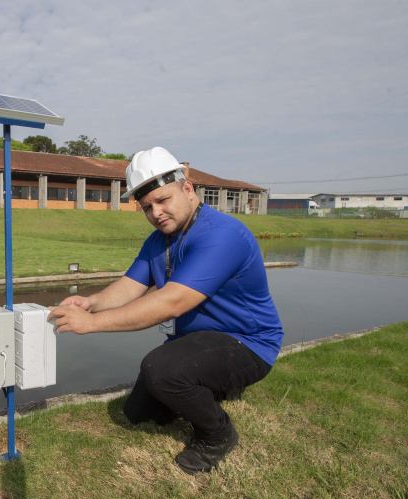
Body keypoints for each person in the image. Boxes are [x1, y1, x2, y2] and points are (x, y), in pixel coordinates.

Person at [49, 146, 283, 475]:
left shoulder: (223, 236)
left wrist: (91, 323)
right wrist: (91, 302)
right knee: (140, 414)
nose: (156, 213)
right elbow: (131, 286)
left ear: (187, 189)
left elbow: (170, 302)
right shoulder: (160, 239)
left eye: (163, 200)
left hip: (247, 343)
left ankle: (218, 434)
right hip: (199, 340)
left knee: (161, 369)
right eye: (147, 207)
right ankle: (213, 387)